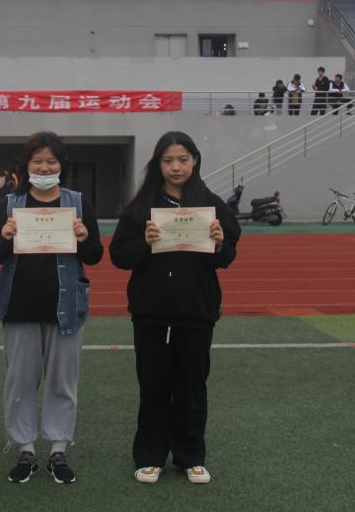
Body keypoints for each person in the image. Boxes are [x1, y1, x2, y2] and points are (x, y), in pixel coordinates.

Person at [109, 131, 240, 486]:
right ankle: (149, 456)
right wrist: (145, 243)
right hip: (151, 313)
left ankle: (190, 456)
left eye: (183, 159)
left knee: (191, 388)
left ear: (194, 160)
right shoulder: (141, 206)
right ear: (158, 164)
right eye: (168, 160)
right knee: (153, 387)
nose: (176, 167)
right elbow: (119, 255)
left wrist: (218, 243)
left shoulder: (211, 204)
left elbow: (228, 255)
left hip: (196, 311)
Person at [0, 132, 103, 485]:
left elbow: (95, 255)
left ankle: (57, 451)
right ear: (27, 165)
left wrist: (83, 238)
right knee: (20, 382)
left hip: (65, 307)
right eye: (37, 161)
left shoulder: (78, 203)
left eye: (51, 161)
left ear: (61, 165)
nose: (45, 168)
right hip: (19, 306)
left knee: (62, 383)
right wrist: (5, 236)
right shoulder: (10, 204)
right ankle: (26, 451)